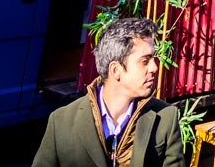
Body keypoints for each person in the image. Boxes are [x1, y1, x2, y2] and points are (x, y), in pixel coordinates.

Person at [32, 17, 184, 167]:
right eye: (145, 61)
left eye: (153, 59)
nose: (154, 68)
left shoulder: (165, 118)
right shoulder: (61, 122)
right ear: (115, 70)